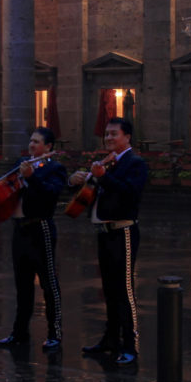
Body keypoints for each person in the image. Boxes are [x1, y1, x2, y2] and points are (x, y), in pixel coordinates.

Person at [70, 116, 147, 365]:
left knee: (124, 290)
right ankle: (110, 339)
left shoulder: (135, 163)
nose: (109, 138)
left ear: (127, 137)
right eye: (107, 134)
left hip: (123, 231)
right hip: (105, 232)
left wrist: (102, 177)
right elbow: (91, 195)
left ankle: (131, 346)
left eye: (114, 134)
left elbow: (130, 193)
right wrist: (79, 181)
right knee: (110, 290)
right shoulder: (109, 163)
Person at [0, 126, 68, 352]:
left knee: (48, 282)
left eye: (37, 142)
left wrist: (32, 177)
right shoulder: (21, 164)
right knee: (22, 285)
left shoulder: (55, 168)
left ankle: (54, 333)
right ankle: (19, 332)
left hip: (40, 227)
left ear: (48, 146)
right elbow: (5, 183)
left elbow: (50, 194)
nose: (32, 145)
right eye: (31, 141)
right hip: (20, 229)